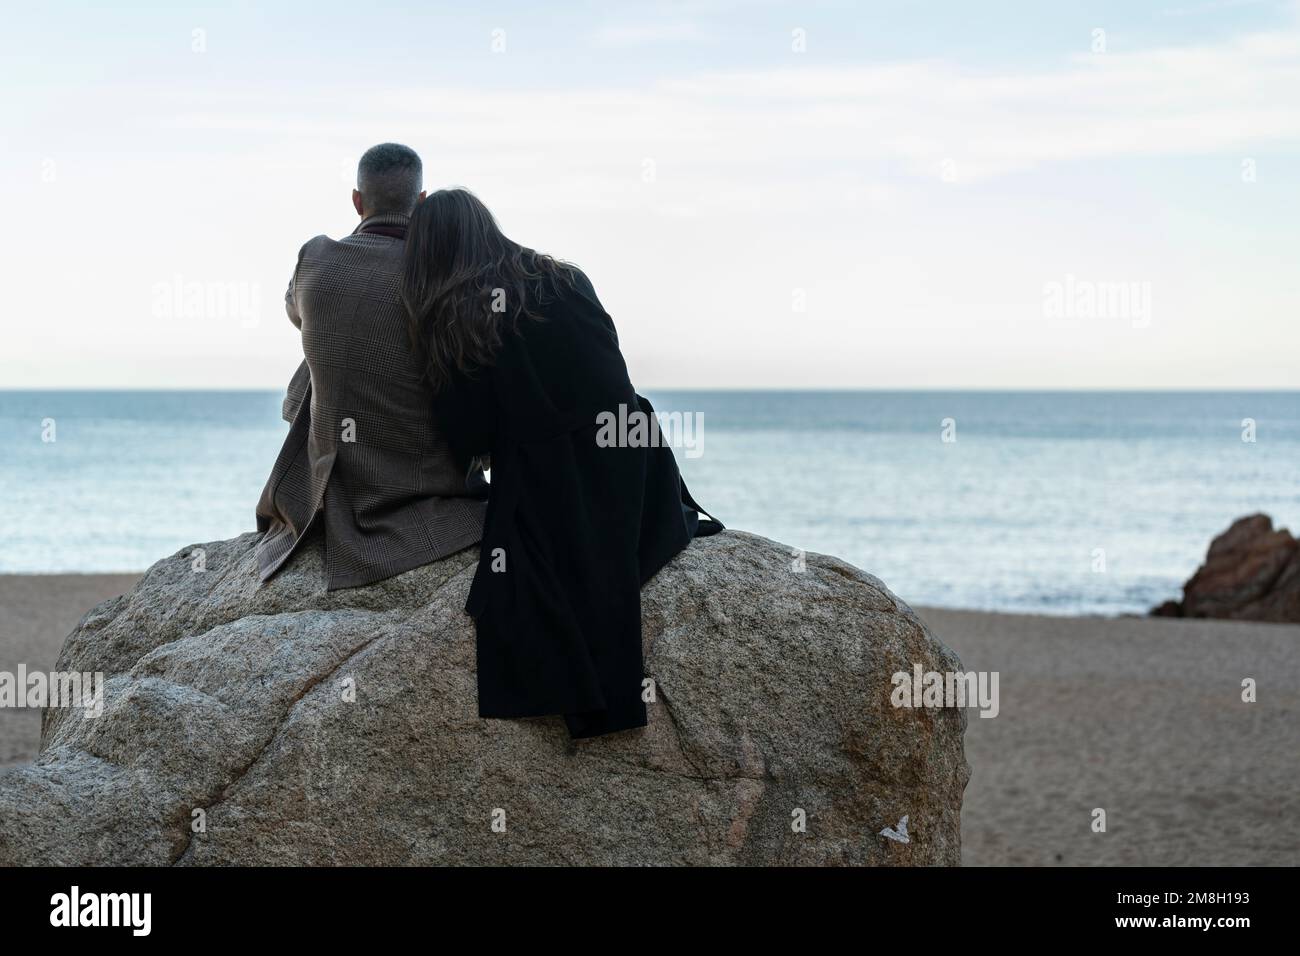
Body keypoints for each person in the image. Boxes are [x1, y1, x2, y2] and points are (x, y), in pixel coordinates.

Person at [401, 187, 722, 739]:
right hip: (635, 457)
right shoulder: (565, 278)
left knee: (540, 566)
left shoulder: (457, 317)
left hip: (555, 474)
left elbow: (468, 435)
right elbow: (611, 364)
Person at [255, 145, 487, 590]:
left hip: (324, 489)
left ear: (357, 202)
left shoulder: (316, 256)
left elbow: (295, 311)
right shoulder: (447, 273)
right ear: (421, 203)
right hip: (423, 485)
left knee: (326, 346)